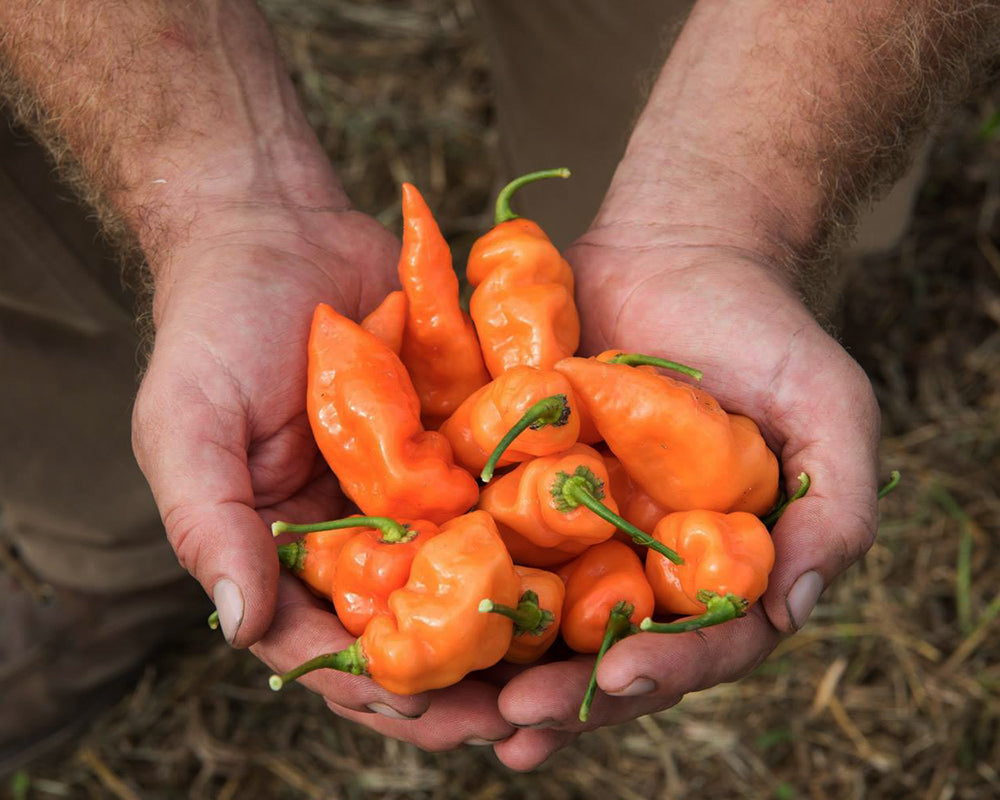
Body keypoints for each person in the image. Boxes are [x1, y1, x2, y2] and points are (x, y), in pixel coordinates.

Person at [0, 0, 995, 773]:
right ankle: (107, 553)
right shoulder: (495, 496)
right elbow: (465, 510)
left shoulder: (523, 477)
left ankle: (729, 227)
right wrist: (215, 206)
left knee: (702, 110)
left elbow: (474, 505)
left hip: (525, 509)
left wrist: (734, 208)